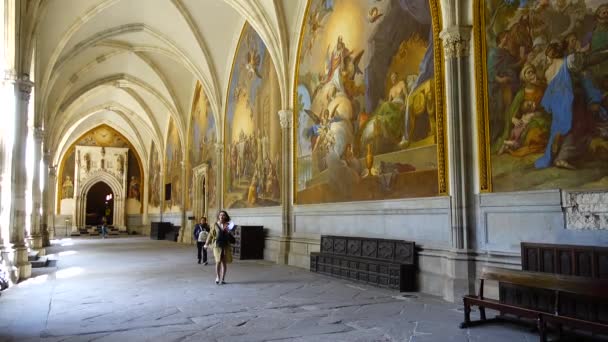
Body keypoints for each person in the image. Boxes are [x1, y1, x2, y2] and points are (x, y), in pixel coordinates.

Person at [204, 210, 234, 285]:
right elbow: (210, 235)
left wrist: (229, 232)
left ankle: (223, 278)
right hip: (217, 245)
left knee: (224, 262)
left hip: (225, 245)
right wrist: (206, 244)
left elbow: (231, 236)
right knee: (218, 261)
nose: (222, 216)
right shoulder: (214, 225)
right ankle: (217, 276)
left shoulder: (229, 225)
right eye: (220, 215)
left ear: (226, 216)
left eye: (223, 215)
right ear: (218, 216)